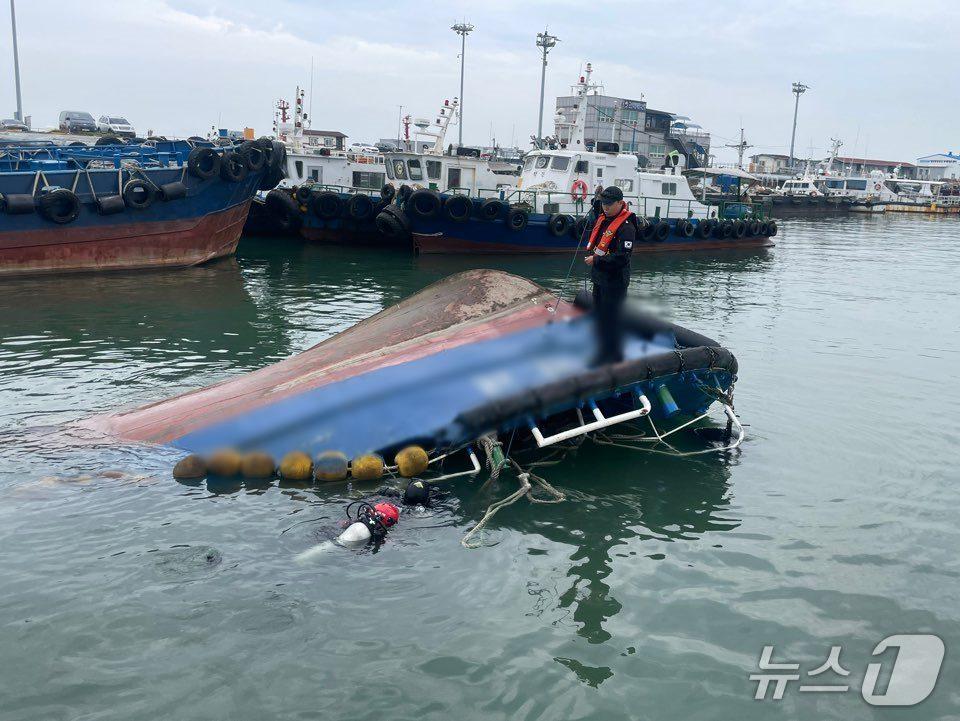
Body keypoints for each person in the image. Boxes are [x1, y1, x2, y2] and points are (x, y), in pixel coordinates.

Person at [583, 185, 635, 364]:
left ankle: (614, 355)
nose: (605, 207)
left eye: (609, 204)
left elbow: (622, 258)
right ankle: (602, 351)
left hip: (615, 281)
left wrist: (596, 260)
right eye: (604, 203)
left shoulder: (626, 228)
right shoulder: (604, 219)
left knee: (612, 318)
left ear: (620, 203)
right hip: (600, 278)